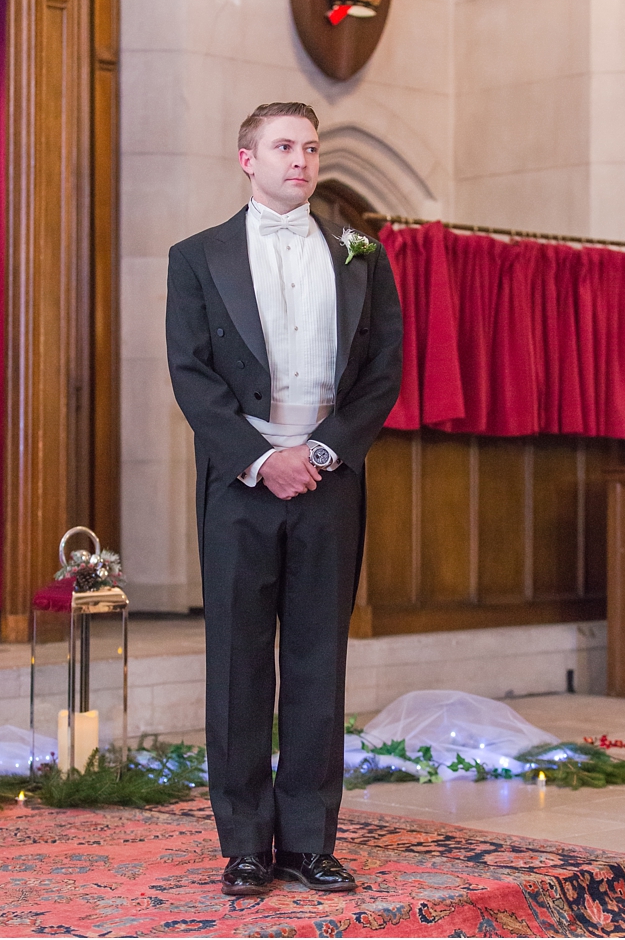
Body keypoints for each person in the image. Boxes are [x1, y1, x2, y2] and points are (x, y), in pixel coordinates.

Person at [166, 102, 403, 895]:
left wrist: (323, 450)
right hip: (241, 485)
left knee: (315, 659)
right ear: (247, 159)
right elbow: (191, 377)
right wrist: (261, 459)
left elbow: (382, 373)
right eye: (282, 146)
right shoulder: (197, 257)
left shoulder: (361, 252)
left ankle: (307, 839)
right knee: (237, 660)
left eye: (309, 146)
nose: (299, 159)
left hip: (329, 481)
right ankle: (242, 842)